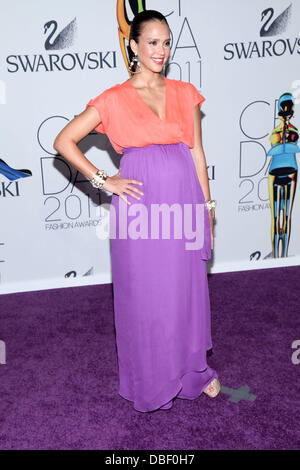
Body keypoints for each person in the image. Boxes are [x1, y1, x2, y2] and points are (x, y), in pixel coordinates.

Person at [53, 9, 221, 413]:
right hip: (140, 209)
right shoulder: (113, 99)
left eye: (166, 43)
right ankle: (151, 378)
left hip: (184, 204)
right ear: (133, 45)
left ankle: (192, 372)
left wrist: (207, 206)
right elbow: (64, 141)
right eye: (151, 42)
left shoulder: (185, 93)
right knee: (147, 296)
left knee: (184, 291)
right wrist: (102, 180)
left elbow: (197, 152)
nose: (160, 51)